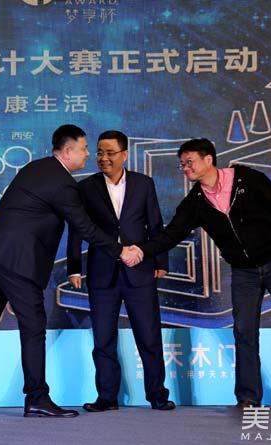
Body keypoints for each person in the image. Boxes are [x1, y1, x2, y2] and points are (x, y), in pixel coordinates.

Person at [0, 124, 144, 418]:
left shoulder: (36, 168)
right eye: (84, 148)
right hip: (19, 262)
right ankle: (36, 397)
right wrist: (121, 250)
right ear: (68, 151)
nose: (88, 154)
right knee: (33, 325)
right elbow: (84, 227)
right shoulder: (62, 183)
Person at [139, 138, 271, 408]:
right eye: (182, 164)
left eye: (189, 162)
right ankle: (248, 397)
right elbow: (171, 235)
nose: (185, 168)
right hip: (244, 273)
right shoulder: (194, 202)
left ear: (208, 159)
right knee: (244, 332)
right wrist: (140, 251)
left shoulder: (246, 177)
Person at [67, 130, 175, 412]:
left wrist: (161, 262)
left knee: (149, 336)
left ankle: (157, 395)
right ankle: (107, 397)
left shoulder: (143, 184)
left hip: (139, 270)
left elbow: (155, 225)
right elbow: (77, 229)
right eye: (99, 152)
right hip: (101, 272)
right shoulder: (86, 187)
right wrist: (74, 267)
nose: (103, 158)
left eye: (110, 153)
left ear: (124, 154)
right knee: (103, 339)